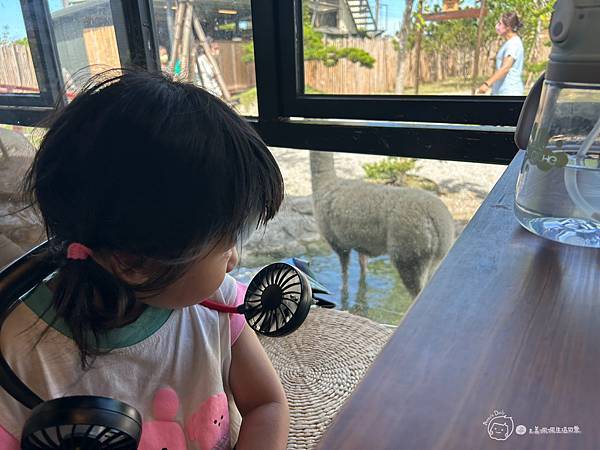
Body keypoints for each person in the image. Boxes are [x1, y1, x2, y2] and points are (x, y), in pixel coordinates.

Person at [0, 69, 289, 449]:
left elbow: (266, 404)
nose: (234, 259)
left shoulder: (217, 306)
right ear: (132, 263)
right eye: (223, 246)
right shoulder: (23, 353)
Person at [477, 12, 525, 96]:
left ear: (508, 27)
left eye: (499, 24)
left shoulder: (513, 44)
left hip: (509, 92)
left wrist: (487, 84)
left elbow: (505, 68)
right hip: (501, 91)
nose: (497, 26)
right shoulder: (509, 43)